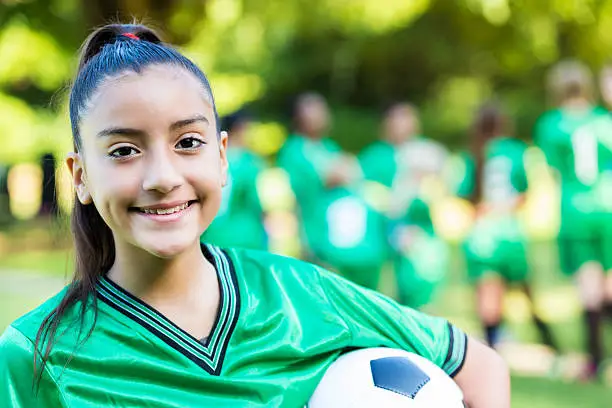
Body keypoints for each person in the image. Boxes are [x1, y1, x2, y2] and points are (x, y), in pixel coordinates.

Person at [0, 24, 509, 407]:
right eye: (124, 151)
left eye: (188, 142)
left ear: (222, 158)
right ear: (80, 175)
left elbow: (479, 366)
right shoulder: (34, 356)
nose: (162, 175)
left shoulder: (303, 295)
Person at [462, 103, 558, 352]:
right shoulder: (515, 150)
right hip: (510, 233)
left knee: (488, 294)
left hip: (483, 234)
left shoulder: (474, 152)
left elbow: (465, 194)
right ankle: (549, 339)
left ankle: (492, 346)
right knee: (525, 289)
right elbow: (524, 192)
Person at [535, 60, 609, 379]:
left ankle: (596, 357)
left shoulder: (552, 124)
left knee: (588, 284)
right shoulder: (603, 120)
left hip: (575, 210)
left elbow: (552, 170)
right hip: (607, 205)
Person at [277, 93, 388, 290]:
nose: (321, 114)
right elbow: (335, 174)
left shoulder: (328, 147)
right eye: (312, 108)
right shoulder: (295, 148)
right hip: (314, 237)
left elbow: (352, 172)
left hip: (340, 237)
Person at [360, 103, 448, 308]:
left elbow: (442, 182)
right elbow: (365, 190)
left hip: (420, 226)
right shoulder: (377, 155)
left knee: (418, 284)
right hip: (385, 227)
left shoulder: (427, 151)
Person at [200, 109, 268, 250]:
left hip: (211, 237)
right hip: (246, 237)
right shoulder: (249, 162)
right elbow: (257, 201)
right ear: (239, 129)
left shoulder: (209, 158)